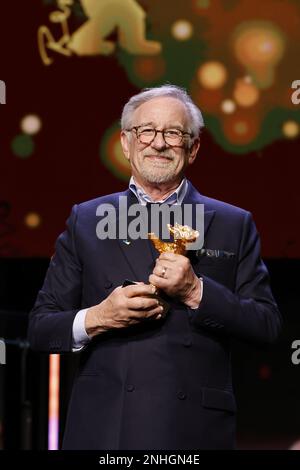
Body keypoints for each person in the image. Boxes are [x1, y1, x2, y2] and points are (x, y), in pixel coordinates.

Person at [28, 84, 282, 450]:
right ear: (126, 143)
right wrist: (100, 316)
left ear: (193, 148)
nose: (158, 143)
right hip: (107, 430)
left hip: (195, 430)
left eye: (173, 133)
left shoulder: (233, 223)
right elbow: (40, 328)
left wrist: (196, 291)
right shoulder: (86, 220)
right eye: (146, 131)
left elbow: (267, 326)